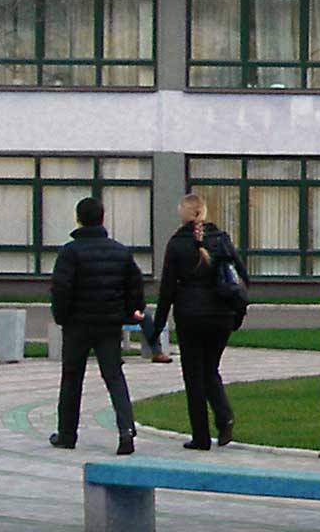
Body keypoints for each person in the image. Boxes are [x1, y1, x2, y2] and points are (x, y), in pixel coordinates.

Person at [148, 194, 248, 450]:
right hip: (221, 316)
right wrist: (237, 313)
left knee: (194, 376)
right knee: (210, 368)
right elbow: (242, 276)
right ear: (204, 212)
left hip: (190, 316)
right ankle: (224, 416)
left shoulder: (177, 244)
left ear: (183, 214)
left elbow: (167, 290)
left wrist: (157, 328)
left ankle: (201, 437)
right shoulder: (222, 239)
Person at [49, 197, 144, 456]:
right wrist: (128, 313)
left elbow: (61, 289)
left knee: (71, 378)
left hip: (77, 324)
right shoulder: (120, 251)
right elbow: (134, 287)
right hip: (109, 323)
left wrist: (62, 317)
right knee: (114, 376)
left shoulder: (70, 252)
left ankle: (67, 434)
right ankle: (126, 431)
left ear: (78, 219)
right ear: (103, 218)